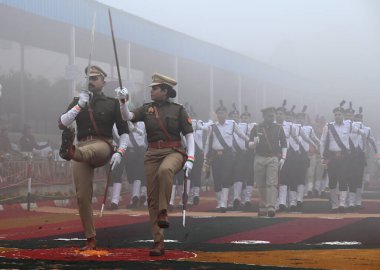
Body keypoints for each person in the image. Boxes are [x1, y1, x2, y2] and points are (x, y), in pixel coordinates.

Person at [117, 73, 194, 256]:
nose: (151, 91)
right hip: (151, 153)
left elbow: (189, 135)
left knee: (165, 170)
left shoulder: (178, 110)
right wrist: (122, 102)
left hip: (174, 151)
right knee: (151, 200)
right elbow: (128, 116)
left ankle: (164, 210)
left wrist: (190, 158)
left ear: (165, 91)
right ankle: (158, 242)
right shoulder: (147, 109)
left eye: (155, 88)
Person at [58, 65, 129, 250]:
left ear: (103, 82)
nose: (91, 81)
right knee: (82, 196)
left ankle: (70, 152)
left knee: (89, 152)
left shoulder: (113, 103)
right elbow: (62, 123)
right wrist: (79, 105)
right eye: (89, 78)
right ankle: (90, 238)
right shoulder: (78, 100)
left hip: (102, 145)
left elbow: (124, 132)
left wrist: (121, 152)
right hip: (81, 146)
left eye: (95, 78)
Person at [249, 107, 287, 217]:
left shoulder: (279, 128)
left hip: (272, 158)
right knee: (261, 184)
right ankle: (262, 206)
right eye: (269, 116)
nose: (272, 117)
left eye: (273, 115)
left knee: (272, 183)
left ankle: (271, 206)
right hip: (259, 157)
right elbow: (249, 144)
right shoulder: (256, 128)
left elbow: (284, 144)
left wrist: (283, 158)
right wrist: (254, 143)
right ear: (264, 116)